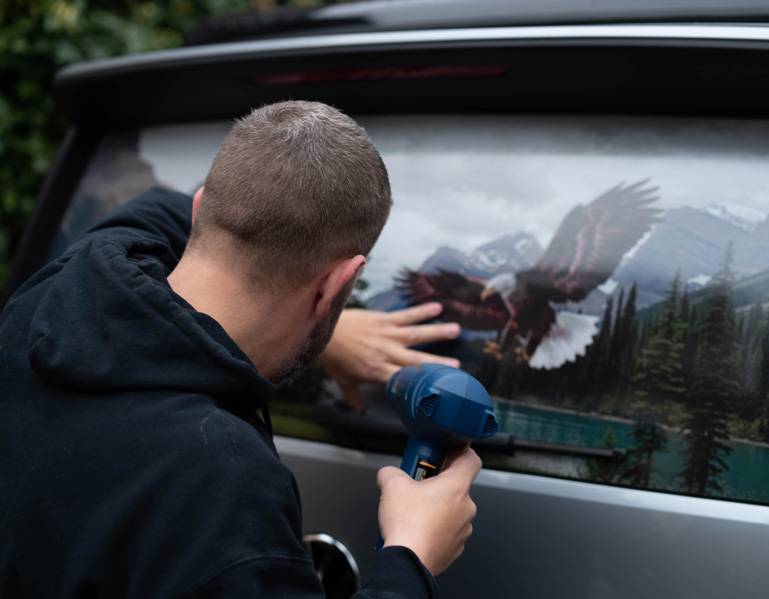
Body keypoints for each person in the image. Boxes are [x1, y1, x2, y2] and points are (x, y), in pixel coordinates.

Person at [0, 100, 481, 598]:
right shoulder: (223, 485)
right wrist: (411, 557)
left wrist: (324, 325)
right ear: (336, 287)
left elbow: (163, 208)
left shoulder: (54, 292)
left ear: (200, 211)